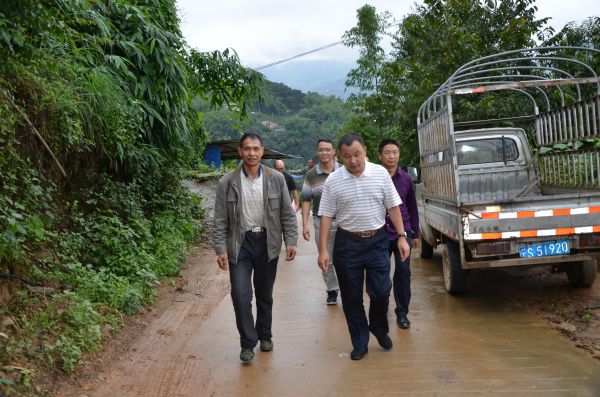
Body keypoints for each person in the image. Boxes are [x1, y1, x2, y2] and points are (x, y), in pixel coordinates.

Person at [318, 133, 410, 360]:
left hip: (377, 241)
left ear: (365, 151)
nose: (353, 161)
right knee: (351, 297)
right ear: (341, 156)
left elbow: (394, 207)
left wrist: (401, 236)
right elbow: (326, 216)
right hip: (347, 244)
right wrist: (322, 250)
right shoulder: (334, 180)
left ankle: (378, 326)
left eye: (357, 155)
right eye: (347, 156)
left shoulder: (379, 174)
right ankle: (359, 342)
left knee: (381, 292)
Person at [213, 133, 298, 363]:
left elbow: (286, 213)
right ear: (240, 152)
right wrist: (220, 248)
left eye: (256, 149)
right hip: (239, 245)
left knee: (264, 295)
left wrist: (291, 240)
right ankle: (248, 343)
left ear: (263, 151)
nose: (252, 153)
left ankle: (265, 335)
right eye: (247, 149)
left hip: (267, 243)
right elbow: (220, 219)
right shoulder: (227, 182)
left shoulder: (276, 179)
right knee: (240, 295)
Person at [378, 139, 419, 329]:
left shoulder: (406, 179)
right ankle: (381, 310)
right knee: (380, 274)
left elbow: (412, 207)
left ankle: (402, 313)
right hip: (379, 233)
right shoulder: (374, 177)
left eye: (395, 152)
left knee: (403, 273)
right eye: (387, 152)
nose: (391, 156)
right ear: (380, 155)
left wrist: (415, 234)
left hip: (403, 233)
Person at [301, 139, 341, 305]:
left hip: (345, 222)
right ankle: (332, 290)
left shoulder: (344, 171)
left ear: (334, 152)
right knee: (326, 257)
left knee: (348, 257)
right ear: (317, 152)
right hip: (321, 221)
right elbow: (305, 199)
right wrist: (305, 224)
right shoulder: (311, 175)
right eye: (321, 150)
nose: (324, 153)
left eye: (327, 150)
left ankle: (349, 288)